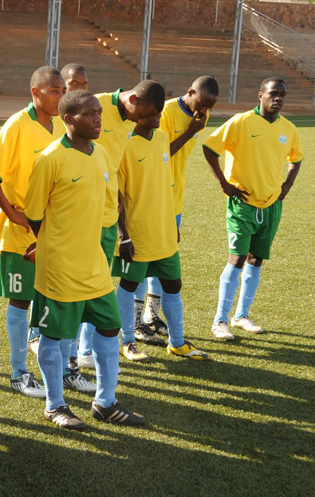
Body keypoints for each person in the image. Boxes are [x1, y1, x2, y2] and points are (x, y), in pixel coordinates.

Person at [25, 90, 145, 431]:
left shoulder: (102, 154)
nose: (98, 118)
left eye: (99, 112)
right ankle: (54, 405)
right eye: (89, 114)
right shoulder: (50, 159)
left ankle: (105, 403)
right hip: (60, 268)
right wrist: (52, 244)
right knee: (54, 336)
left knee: (109, 327)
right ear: (68, 119)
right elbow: (34, 215)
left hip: (95, 265)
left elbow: (111, 206)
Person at [0, 66, 65, 398]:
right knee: (21, 299)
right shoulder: (18, 125)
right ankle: (18, 373)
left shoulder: (55, 126)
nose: (60, 96)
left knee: (43, 296)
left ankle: (45, 361)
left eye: (61, 90)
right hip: (18, 233)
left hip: (46, 231)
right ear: (36, 92)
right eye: (53, 90)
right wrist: (10, 211)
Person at [74, 80, 170, 368]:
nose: (142, 122)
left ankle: (84, 350)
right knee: (78, 286)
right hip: (81, 213)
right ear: (133, 97)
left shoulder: (129, 119)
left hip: (106, 214)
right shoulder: (96, 105)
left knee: (98, 285)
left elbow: (111, 164)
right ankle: (66, 353)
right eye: (142, 114)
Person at [112, 81, 208, 362]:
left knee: (173, 286)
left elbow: (165, 170)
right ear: (141, 114)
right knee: (128, 287)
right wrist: (124, 235)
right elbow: (117, 197)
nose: (158, 119)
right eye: (154, 115)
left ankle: (177, 342)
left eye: (159, 115)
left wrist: (172, 222)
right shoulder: (125, 146)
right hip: (137, 236)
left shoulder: (162, 138)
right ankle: (127, 341)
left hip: (164, 232)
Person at [204, 78, 303, 340]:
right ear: (261, 95)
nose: (278, 99)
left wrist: (286, 187)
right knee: (236, 259)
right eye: (273, 93)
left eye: (282, 94)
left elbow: (296, 159)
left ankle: (241, 316)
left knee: (256, 259)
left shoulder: (288, 128)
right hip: (242, 204)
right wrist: (224, 184)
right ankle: (220, 321)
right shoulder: (241, 122)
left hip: (271, 204)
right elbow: (209, 148)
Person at [134, 76, 220, 344]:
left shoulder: (200, 116)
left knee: (164, 261)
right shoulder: (166, 112)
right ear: (190, 91)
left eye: (209, 107)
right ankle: (135, 323)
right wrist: (191, 130)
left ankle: (152, 316)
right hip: (151, 197)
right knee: (139, 263)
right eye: (202, 103)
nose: (204, 110)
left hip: (174, 198)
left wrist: (196, 126)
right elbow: (162, 151)